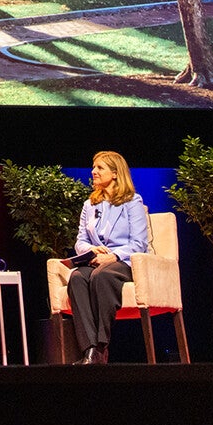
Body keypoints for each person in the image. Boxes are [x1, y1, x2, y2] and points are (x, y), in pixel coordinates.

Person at [66, 150, 150, 364]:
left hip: (124, 262)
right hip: (95, 261)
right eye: (93, 167)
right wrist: (91, 251)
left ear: (114, 173)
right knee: (76, 277)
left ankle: (102, 346)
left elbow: (139, 243)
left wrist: (112, 256)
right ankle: (90, 349)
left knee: (101, 276)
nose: (93, 171)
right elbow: (80, 240)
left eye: (99, 168)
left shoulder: (132, 202)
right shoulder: (90, 205)